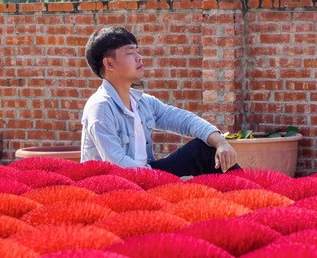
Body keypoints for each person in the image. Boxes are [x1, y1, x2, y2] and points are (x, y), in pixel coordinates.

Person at [81, 25, 239, 177]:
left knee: (206, 149)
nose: (139, 57)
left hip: (146, 175)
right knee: (201, 153)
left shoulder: (142, 102)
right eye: (130, 53)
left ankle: (251, 197)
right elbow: (116, 163)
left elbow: (184, 120)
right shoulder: (100, 107)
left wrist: (220, 142)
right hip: (115, 186)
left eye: (137, 51)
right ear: (109, 63)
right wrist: (164, 179)